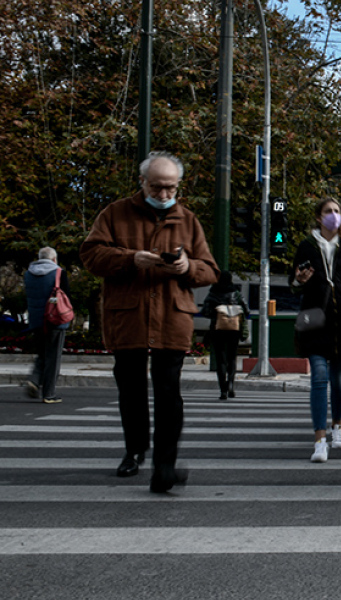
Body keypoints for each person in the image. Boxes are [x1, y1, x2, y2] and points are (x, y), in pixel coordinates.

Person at [80, 151, 219, 493]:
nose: (163, 195)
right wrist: (131, 259)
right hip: (129, 317)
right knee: (131, 391)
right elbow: (90, 255)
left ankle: (164, 466)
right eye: (156, 187)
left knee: (169, 393)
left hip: (172, 317)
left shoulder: (188, 220)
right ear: (142, 182)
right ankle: (135, 449)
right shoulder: (114, 214)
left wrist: (188, 269)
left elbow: (211, 270)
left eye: (170, 188)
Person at [290, 198, 341, 463]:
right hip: (315, 321)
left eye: (337, 211)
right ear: (318, 217)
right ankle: (319, 440)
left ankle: (337, 425)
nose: (334, 215)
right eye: (328, 211)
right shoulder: (306, 246)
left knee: (338, 380)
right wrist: (298, 280)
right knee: (319, 378)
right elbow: (294, 282)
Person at [23, 247, 71, 404]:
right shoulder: (59, 273)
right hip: (55, 319)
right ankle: (49, 393)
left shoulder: (28, 274)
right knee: (53, 357)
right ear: (54, 259)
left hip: (36, 319)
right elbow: (67, 296)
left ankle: (35, 380)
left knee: (42, 353)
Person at [200, 271, 249, 400]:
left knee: (220, 359)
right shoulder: (236, 293)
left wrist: (217, 313)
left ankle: (223, 390)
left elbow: (205, 312)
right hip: (234, 329)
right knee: (232, 358)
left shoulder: (213, 292)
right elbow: (246, 310)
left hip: (217, 330)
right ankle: (231, 384)